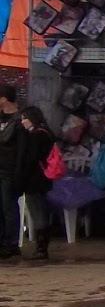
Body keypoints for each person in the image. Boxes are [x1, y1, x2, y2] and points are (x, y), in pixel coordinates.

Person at [14, 107, 56, 261]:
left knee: (37, 212)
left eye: (24, 118)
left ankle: (41, 249)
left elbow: (31, 159)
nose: (22, 122)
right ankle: (42, 247)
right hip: (43, 178)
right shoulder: (47, 132)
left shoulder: (36, 135)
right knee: (41, 211)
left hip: (34, 180)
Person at [0, 85, 21, 260]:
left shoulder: (20, 119)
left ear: (3, 99)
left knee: (9, 207)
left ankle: (11, 243)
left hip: (9, 169)